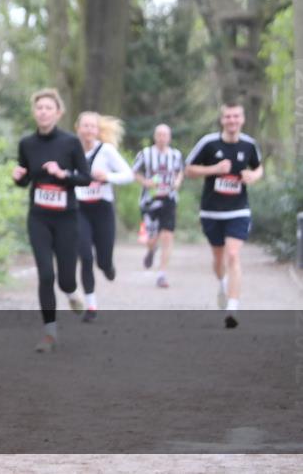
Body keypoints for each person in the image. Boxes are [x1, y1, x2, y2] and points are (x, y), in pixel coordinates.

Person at [12, 89, 92, 352]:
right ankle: (50, 333)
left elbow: (85, 178)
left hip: (67, 218)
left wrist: (62, 173)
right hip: (39, 218)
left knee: (66, 279)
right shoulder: (27, 144)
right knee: (46, 275)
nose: (43, 112)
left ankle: (71, 293)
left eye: (49, 108)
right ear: (34, 112)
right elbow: (26, 180)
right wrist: (19, 177)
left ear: (58, 113)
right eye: (39, 108)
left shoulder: (70, 142)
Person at [184, 103, 263, 329]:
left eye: (236, 116)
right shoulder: (208, 143)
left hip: (238, 209)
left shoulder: (249, 144)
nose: (232, 120)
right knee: (219, 259)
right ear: (222, 120)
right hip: (211, 210)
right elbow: (188, 169)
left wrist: (253, 176)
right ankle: (222, 283)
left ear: (243, 119)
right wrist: (214, 169)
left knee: (233, 255)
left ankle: (233, 308)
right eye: (228, 116)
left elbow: (259, 168)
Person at [73, 111, 134, 322]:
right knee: (85, 257)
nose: (89, 130)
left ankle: (108, 267)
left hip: (102, 209)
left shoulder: (106, 151)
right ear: (77, 128)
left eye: (93, 126)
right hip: (79, 209)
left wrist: (107, 176)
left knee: (102, 260)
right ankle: (91, 306)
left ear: (98, 131)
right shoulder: (71, 150)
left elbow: (128, 175)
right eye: (85, 126)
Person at [132, 124, 184, 288]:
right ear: (155, 136)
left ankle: (162, 274)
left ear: (169, 137)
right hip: (149, 201)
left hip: (169, 199)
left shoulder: (175, 155)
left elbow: (180, 171)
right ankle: (151, 250)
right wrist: (145, 182)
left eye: (165, 135)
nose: (162, 138)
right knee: (152, 237)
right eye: (159, 135)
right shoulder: (145, 154)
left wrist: (177, 182)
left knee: (168, 235)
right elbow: (134, 172)